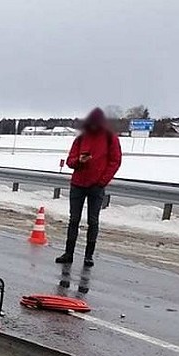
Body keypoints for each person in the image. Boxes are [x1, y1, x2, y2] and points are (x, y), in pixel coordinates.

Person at [57, 108, 121, 268]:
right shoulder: (81, 138)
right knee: (74, 219)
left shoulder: (109, 138)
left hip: (96, 186)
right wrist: (79, 160)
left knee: (93, 221)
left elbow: (115, 161)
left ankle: (88, 256)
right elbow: (70, 161)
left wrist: (102, 181)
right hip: (78, 184)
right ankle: (68, 253)